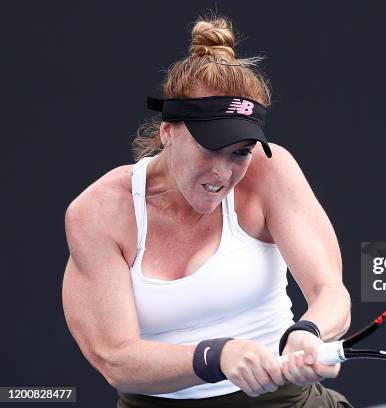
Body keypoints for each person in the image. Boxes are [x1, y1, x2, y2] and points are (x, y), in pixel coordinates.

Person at [62, 16, 352, 408]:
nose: (222, 173)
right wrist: (216, 356)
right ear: (168, 131)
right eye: (209, 147)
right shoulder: (99, 211)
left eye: (239, 152)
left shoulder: (271, 170)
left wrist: (310, 331)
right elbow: (115, 358)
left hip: (286, 401)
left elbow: (330, 292)